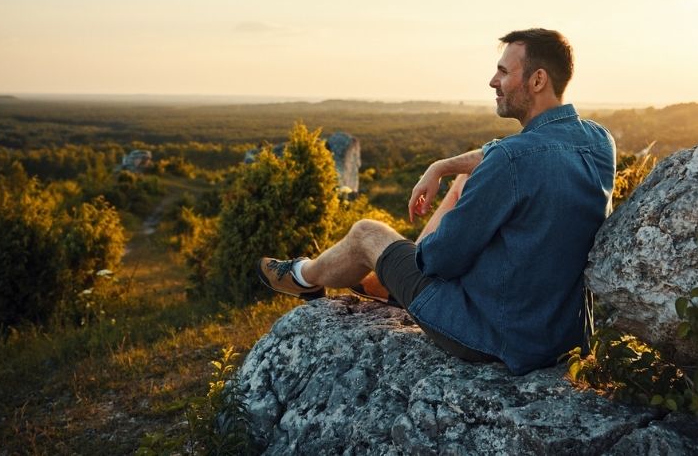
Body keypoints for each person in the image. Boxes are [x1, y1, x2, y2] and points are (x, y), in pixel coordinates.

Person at [258, 28, 616, 375]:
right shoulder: (600, 142)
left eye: (504, 72)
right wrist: (442, 167)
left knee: (367, 233)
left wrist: (417, 252)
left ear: (537, 81)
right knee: (466, 178)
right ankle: (384, 283)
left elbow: (437, 261)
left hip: (495, 335)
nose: (493, 81)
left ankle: (302, 276)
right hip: (565, 336)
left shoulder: (511, 162)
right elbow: (507, 155)